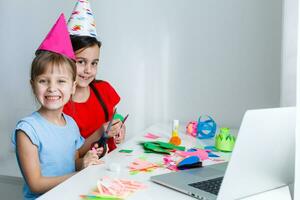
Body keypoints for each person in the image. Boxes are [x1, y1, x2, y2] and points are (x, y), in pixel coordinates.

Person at [11, 14, 103, 200]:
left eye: (61, 81)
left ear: (73, 87)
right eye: (44, 81)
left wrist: (84, 163)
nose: (52, 88)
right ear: (33, 85)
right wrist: (78, 175)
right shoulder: (27, 130)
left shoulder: (70, 124)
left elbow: (71, 163)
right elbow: (36, 184)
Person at [63, 0, 126, 157]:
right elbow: (70, 157)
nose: (88, 70)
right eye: (81, 62)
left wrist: (119, 128)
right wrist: (99, 132)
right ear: (65, 60)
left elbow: (115, 116)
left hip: (111, 164)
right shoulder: (60, 103)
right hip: (83, 173)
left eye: (94, 63)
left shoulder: (104, 89)